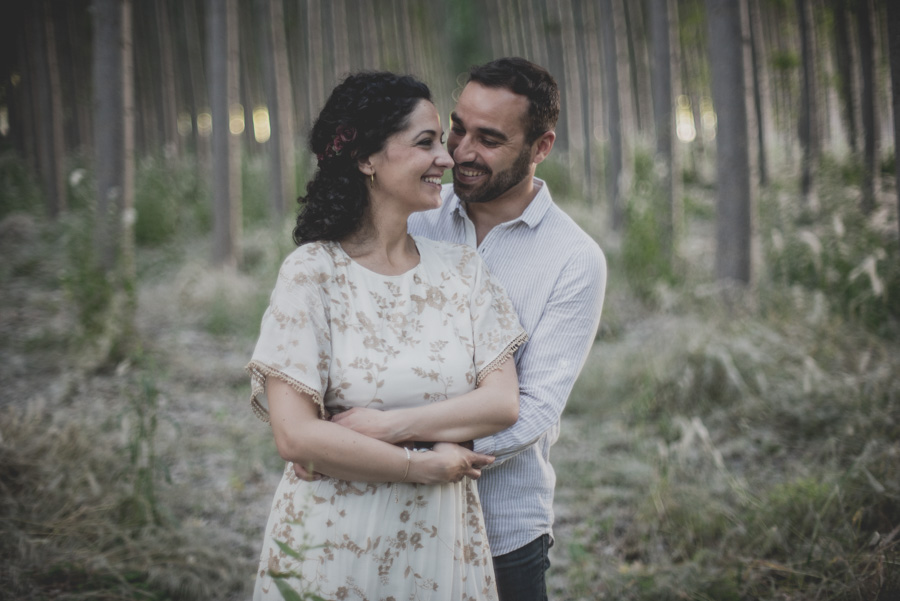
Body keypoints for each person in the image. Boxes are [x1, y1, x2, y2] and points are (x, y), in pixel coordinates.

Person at [332, 58, 607, 600]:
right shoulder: (414, 212)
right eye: (458, 127)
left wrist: (400, 437)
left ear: (541, 146)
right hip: (379, 506)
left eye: (489, 139)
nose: (459, 151)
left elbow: (535, 408)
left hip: (500, 525)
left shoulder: (575, 259)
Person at [246, 71, 527, 600]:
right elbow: (296, 437)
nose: (447, 159)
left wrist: (380, 427)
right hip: (333, 542)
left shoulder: (462, 271)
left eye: (440, 143)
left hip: (440, 540)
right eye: (426, 143)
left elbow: (502, 403)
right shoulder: (312, 274)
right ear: (365, 158)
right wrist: (418, 465)